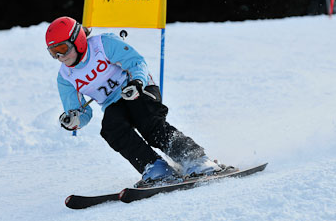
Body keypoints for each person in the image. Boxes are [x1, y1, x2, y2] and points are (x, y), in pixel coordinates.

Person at [45, 16, 224, 186]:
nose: (60, 57)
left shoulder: (103, 44)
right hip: (113, 103)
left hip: (139, 88)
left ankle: (195, 159)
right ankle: (155, 167)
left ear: (78, 40)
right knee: (112, 129)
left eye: (62, 49)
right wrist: (74, 120)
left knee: (148, 122)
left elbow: (136, 62)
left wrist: (137, 82)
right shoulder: (65, 77)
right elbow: (80, 111)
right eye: (53, 53)